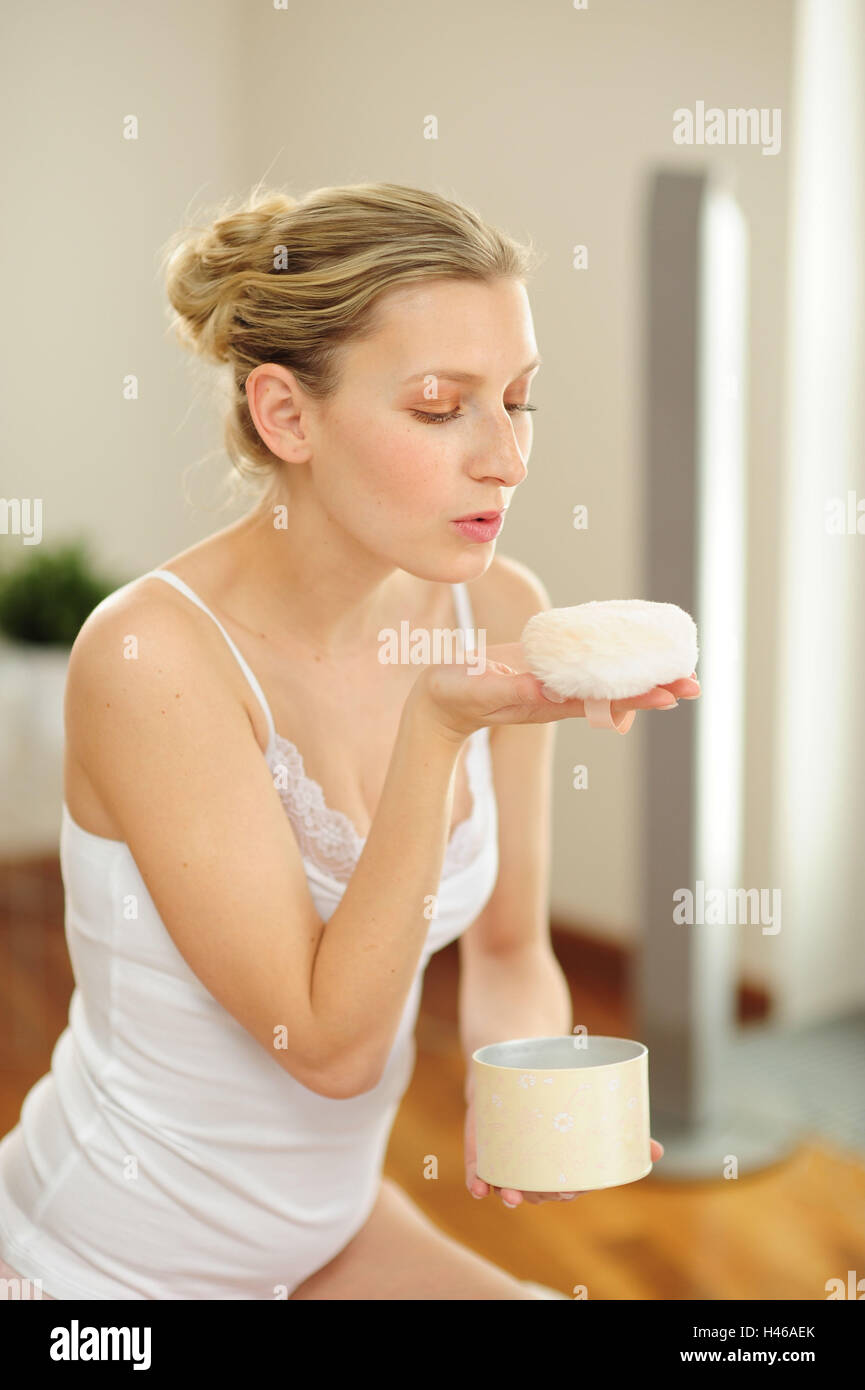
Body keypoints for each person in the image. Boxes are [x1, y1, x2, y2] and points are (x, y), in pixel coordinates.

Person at [0, 182, 691, 1301]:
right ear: (286, 416)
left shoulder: (501, 609)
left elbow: (510, 948)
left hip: (326, 1231)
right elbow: (326, 1046)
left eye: (516, 401)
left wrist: (521, 1088)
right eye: (439, 406)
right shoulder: (151, 658)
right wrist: (436, 731)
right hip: (106, 1264)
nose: (506, 458)